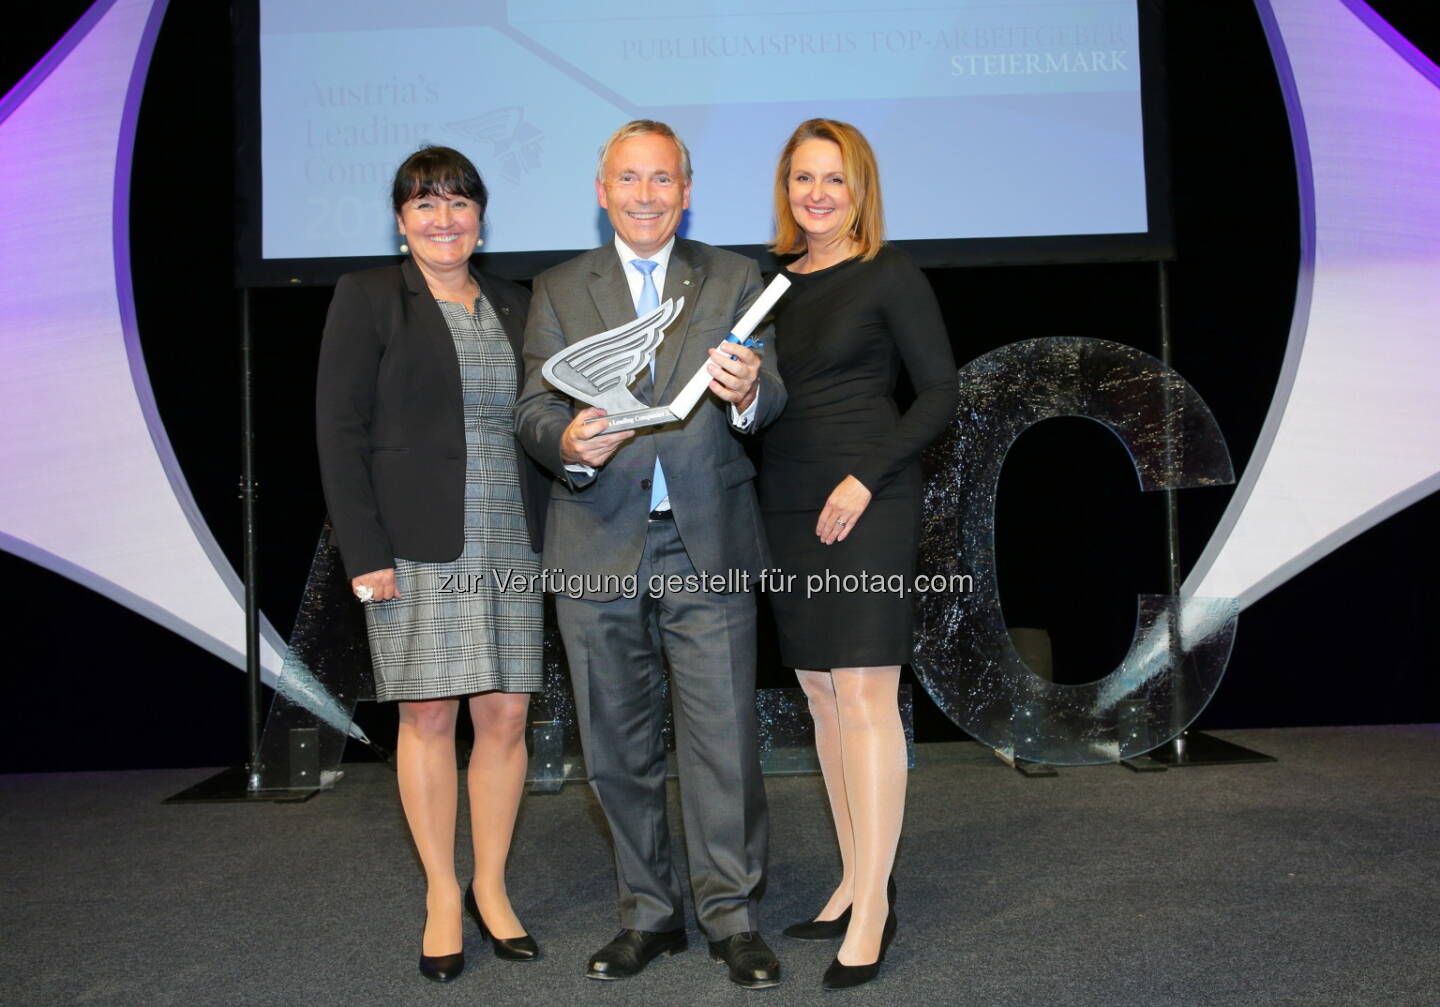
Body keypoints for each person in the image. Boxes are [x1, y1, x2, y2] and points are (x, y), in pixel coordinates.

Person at [514, 120, 786, 989]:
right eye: (628, 179)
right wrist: (569, 440)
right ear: (602, 192)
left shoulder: (737, 276)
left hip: (706, 542)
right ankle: (647, 912)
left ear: (686, 188)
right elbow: (530, 409)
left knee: (724, 743)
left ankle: (733, 917)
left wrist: (750, 394)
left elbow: (769, 391)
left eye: (661, 179)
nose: (644, 194)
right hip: (597, 542)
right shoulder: (557, 288)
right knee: (616, 748)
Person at [315, 145, 551, 983]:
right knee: (426, 719)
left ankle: (491, 886)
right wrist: (366, 552)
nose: (444, 219)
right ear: (401, 218)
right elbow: (339, 432)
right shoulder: (369, 298)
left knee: (505, 718)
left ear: (481, 215)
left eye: (459, 203)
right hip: (415, 544)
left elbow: (544, 419)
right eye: (425, 204)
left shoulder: (520, 302)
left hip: (514, 537)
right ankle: (442, 894)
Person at [760, 119, 958, 990]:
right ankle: (850, 875)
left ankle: (875, 902)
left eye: (833, 179)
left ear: (860, 187)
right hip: (787, 501)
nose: (816, 194)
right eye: (803, 178)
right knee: (819, 692)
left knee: (867, 691)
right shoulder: (769, 289)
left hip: (866, 498)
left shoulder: (890, 271)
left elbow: (940, 393)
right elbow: (758, 404)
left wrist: (866, 479)